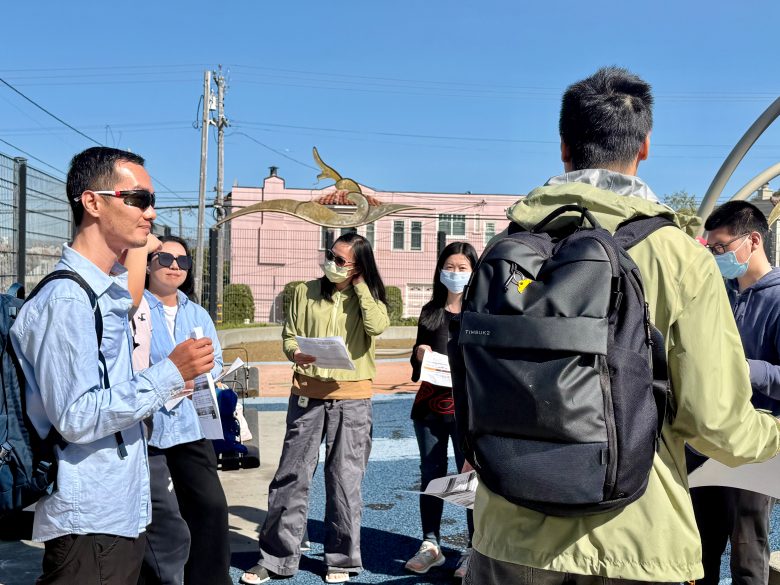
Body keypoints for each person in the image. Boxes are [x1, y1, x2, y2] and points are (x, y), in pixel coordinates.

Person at [463, 67, 780, 585]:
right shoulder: (679, 257)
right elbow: (716, 421)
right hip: (634, 534)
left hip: (507, 531)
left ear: (564, 147)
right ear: (646, 147)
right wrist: (774, 436)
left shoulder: (507, 250)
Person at [9, 146, 215, 585]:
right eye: (137, 199)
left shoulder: (101, 294)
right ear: (92, 202)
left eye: (151, 201)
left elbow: (105, 392)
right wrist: (168, 374)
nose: (150, 213)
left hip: (115, 511)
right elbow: (77, 417)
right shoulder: (67, 301)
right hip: (89, 519)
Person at [240, 232, 389, 585]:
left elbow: (378, 327)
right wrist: (295, 353)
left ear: (358, 267)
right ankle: (276, 557)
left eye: (341, 261)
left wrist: (363, 288)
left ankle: (341, 559)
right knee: (291, 476)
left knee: (344, 480)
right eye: (330, 255)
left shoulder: (369, 298)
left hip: (352, 400)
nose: (331, 264)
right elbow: (290, 336)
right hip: (306, 394)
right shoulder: (303, 291)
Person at [688, 201, 780, 585]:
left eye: (721, 248)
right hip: (706, 440)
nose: (715, 256)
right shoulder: (716, 295)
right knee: (698, 550)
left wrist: (745, 371)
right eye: (711, 248)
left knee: (747, 552)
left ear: (753, 240)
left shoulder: (777, 300)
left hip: (755, 447)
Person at [141, 235, 231, 585]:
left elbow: (216, 361)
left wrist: (205, 376)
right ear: (148, 264)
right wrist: (173, 375)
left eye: (183, 261)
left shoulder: (197, 313)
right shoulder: (136, 308)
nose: (175, 266)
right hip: (149, 430)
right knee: (160, 519)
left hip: (191, 426)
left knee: (210, 507)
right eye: (165, 258)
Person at [405, 242, 477, 579]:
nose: (456, 273)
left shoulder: (482, 312)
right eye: (450, 266)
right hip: (429, 408)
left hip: (467, 409)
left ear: (474, 271)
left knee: (469, 480)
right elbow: (416, 359)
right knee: (431, 474)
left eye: (463, 267)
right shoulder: (430, 311)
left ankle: (472, 549)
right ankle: (430, 544)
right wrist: (418, 355)